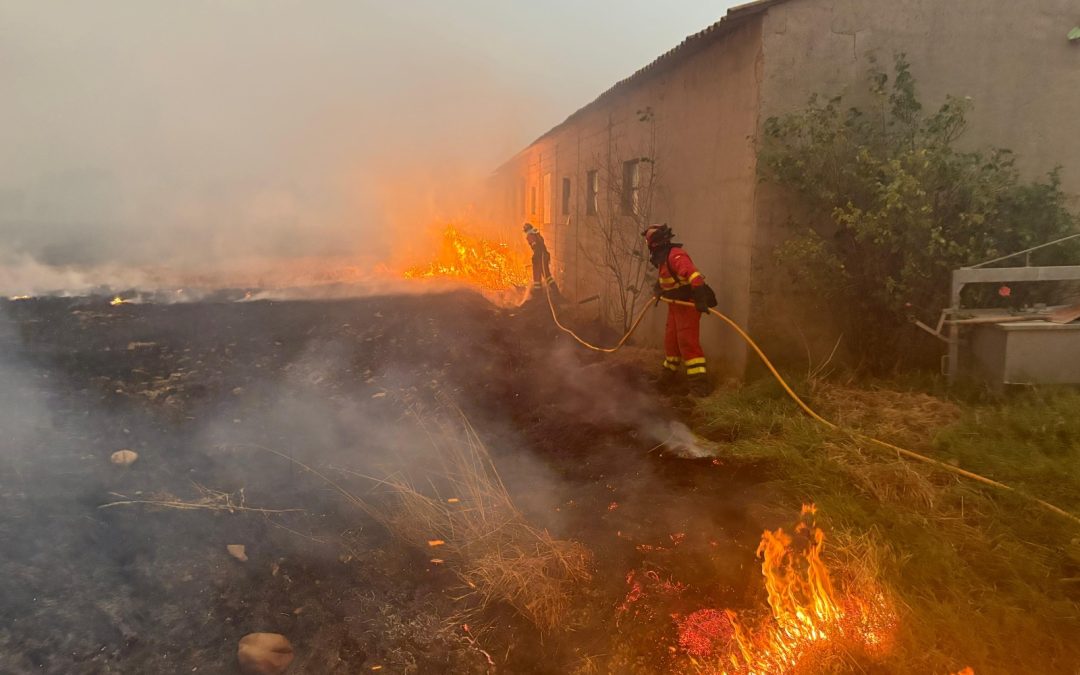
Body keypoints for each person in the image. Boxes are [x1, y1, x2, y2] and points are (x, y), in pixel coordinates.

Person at [643, 223, 717, 395]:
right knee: (671, 342)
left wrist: (699, 300)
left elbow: (695, 276)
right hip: (675, 306)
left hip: (688, 305)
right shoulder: (664, 258)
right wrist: (659, 289)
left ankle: (699, 387)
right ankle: (668, 377)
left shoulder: (676, 256)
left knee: (687, 343)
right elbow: (667, 278)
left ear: (654, 244)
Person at [523, 223, 559, 299]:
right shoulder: (536, 233)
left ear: (527, 230)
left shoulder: (530, 236)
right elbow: (541, 245)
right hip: (544, 255)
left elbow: (536, 247)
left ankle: (538, 295)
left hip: (539, 257)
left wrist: (535, 257)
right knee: (547, 276)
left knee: (537, 276)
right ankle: (555, 291)